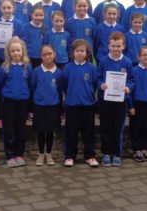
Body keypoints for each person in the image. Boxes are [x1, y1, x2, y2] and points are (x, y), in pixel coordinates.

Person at [97, 32, 134, 167]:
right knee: (106, 127)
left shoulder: (127, 62)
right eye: (113, 46)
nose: (116, 48)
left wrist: (128, 87)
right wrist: (101, 85)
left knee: (118, 128)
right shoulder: (103, 61)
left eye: (118, 46)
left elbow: (131, 79)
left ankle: (117, 154)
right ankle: (106, 153)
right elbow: (98, 78)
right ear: (109, 46)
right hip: (105, 100)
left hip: (120, 101)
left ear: (123, 46)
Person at [62, 39, 98, 168]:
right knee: (71, 133)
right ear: (72, 53)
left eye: (82, 51)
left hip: (88, 106)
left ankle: (90, 156)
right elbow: (65, 85)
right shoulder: (68, 67)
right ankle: (70, 156)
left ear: (87, 53)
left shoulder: (91, 67)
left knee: (88, 133)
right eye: (77, 51)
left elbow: (94, 85)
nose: (79, 53)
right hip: (72, 106)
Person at [0, 37, 33, 167]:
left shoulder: (27, 67)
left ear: (23, 51)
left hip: (23, 102)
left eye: (18, 50)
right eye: (13, 51)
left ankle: (19, 154)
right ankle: (10, 155)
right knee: (8, 129)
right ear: (9, 52)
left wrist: (30, 107)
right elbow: (0, 84)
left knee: (21, 129)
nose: (16, 53)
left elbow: (30, 84)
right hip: (8, 102)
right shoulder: (5, 67)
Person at [31, 44, 63, 166]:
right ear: (41, 56)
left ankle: (48, 154)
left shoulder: (59, 73)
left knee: (50, 132)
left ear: (54, 55)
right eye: (45, 54)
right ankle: (40, 154)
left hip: (53, 106)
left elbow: (60, 90)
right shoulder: (36, 71)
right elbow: (33, 87)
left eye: (50, 53)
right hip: (39, 105)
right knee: (40, 131)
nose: (47, 56)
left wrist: (61, 109)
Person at [0, 0, 25, 64]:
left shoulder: (19, 24)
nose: (6, 10)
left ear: (14, 8)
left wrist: (18, 40)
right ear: (0, 8)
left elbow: (24, 41)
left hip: (13, 58)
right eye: (4, 8)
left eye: (9, 8)